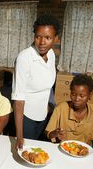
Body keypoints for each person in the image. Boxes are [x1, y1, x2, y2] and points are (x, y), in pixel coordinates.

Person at [12, 14, 60, 148]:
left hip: (43, 115)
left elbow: (47, 85)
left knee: (38, 151)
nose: (42, 42)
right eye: (38, 36)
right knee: (27, 153)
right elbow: (18, 99)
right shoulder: (24, 58)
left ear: (56, 39)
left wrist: (50, 107)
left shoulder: (51, 54)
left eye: (48, 38)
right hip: (26, 118)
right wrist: (19, 136)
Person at [45, 74, 93, 145]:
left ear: (90, 95)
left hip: (83, 151)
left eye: (82, 96)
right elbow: (48, 134)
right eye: (73, 94)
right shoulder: (61, 108)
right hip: (63, 148)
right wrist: (55, 133)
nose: (77, 99)